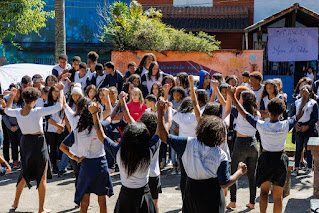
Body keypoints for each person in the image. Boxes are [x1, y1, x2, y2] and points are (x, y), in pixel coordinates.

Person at [157, 97, 247, 213]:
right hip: (212, 196)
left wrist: (160, 113)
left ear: (200, 129)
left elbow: (164, 136)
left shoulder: (188, 143)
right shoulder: (221, 155)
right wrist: (240, 171)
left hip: (192, 192)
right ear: (220, 136)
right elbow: (224, 183)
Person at [228, 85, 307, 213]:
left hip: (265, 159)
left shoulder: (261, 125)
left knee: (264, 192)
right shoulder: (286, 124)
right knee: (277, 196)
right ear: (282, 113)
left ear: (268, 111)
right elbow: (299, 114)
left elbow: (243, 112)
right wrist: (304, 98)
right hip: (280, 159)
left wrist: (232, 96)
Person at [89, 100, 159, 213]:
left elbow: (101, 135)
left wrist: (94, 114)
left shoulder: (119, 152)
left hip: (126, 197)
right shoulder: (148, 152)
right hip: (144, 196)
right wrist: (160, 110)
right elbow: (159, 132)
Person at [3, 85, 64, 213]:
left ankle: (15, 203)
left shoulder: (18, 111)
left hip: (25, 142)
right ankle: (41, 209)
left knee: (24, 173)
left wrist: (12, 96)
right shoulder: (37, 111)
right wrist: (62, 91)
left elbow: (6, 110)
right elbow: (59, 106)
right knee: (42, 176)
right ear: (35, 100)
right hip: (38, 143)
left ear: (24, 98)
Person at [60, 97, 113, 212]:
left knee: (85, 200)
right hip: (101, 164)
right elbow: (110, 117)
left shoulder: (77, 131)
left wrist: (75, 157)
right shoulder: (100, 128)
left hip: (86, 165)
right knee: (102, 200)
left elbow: (62, 146)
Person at [223, 87, 260, 209]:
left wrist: (229, 95)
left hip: (240, 143)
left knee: (234, 172)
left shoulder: (239, 112)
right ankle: (252, 202)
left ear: (243, 101)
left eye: (240, 98)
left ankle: (233, 201)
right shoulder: (257, 113)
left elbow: (225, 106)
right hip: (253, 143)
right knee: (252, 175)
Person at [291, 84, 318, 176]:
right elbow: (293, 114)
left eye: (305, 91)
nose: (303, 92)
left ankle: (310, 167)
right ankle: (296, 167)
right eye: (302, 90)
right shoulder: (297, 102)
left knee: (308, 148)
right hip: (299, 126)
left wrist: (308, 126)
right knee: (298, 147)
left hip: (308, 127)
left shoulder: (313, 103)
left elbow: (315, 117)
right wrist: (295, 124)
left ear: (309, 93)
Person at [44, 86, 65, 174]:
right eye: (54, 91)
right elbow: (48, 119)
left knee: (61, 148)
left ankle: (61, 166)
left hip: (61, 129)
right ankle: (54, 166)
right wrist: (58, 126)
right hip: (51, 130)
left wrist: (62, 126)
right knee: (52, 148)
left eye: (58, 91)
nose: (56, 93)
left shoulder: (61, 103)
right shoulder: (47, 104)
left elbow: (65, 116)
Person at [3, 85, 23, 169]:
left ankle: (23, 160)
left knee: (21, 143)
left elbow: (24, 115)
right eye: (15, 92)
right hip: (10, 127)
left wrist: (17, 126)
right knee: (13, 144)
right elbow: (5, 115)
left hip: (20, 126)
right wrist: (10, 127)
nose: (17, 94)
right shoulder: (8, 101)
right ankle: (15, 160)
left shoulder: (23, 103)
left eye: (18, 92)